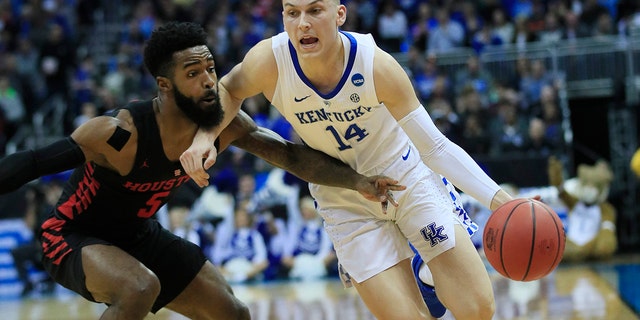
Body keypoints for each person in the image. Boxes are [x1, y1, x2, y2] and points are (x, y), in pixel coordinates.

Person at [0, 21, 403, 320]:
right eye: (193, 74)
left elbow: (292, 158)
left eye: (210, 68)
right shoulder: (119, 133)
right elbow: (35, 162)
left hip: (140, 235)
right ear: (165, 85)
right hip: (71, 235)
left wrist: (357, 181)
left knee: (234, 314)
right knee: (139, 287)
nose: (210, 81)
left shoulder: (223, 124)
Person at [180, 2, 519, 319]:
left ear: (339, 14)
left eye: (315, 11)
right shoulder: (270, 59)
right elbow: (229, 89)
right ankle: (413, 272)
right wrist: (205, 137)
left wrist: (500, 201)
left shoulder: (376, 65)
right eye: (291, 13)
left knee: (477, 310)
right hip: (343, 194)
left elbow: (436, 148)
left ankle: (425, 273)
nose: (302, 24)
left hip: (405, 176)